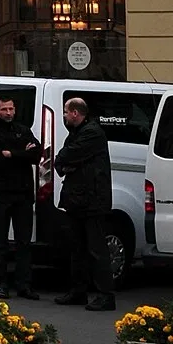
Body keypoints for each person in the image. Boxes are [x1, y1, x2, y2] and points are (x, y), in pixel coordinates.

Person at [54, 96, 116, 309]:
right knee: (77, 248)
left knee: (97, 249)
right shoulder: (76, 133)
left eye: (65, 111)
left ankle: (105, 295)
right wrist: (65, 162)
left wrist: (66, 162)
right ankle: (78, 291)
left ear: (74, 113)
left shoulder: (92, 133)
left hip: (92, 200)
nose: (64, 115)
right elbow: (62, 161)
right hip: (77, 199)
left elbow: (67, 156)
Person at [0, 94, 41, 298]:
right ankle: (1, 283)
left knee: (23, 241)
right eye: (4, 109)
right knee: (1, 241)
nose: (8, 113)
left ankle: (24, 284)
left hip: (23, 194)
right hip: (1, 193)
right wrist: (19, 153)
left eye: (11, 109)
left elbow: (36, 154)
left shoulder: (23, 130)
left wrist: (13, 154)